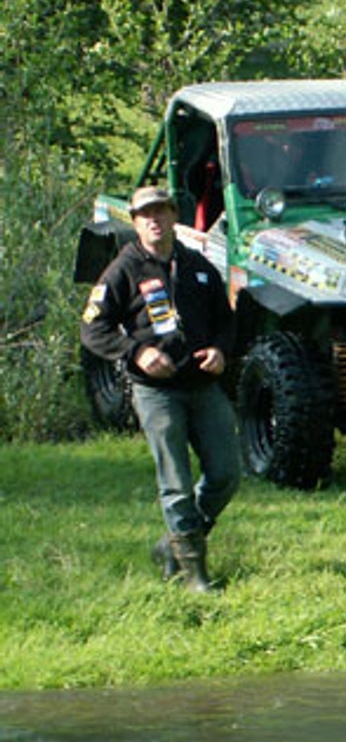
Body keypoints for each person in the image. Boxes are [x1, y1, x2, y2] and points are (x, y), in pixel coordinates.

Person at [80, 185, 241, 592]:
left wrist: (221, 350)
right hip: (156, 390)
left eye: (161, 211)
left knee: (225, 474)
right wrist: (135, 352)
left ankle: (172, 545)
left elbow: (227, 321)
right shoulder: (123, 270)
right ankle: (193, 575)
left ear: (174, 216)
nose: (154, 220)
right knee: (176, 482)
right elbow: (92, 328)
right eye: (145, 214)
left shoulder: (196, 265)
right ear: (134, 222)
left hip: (202, 384)